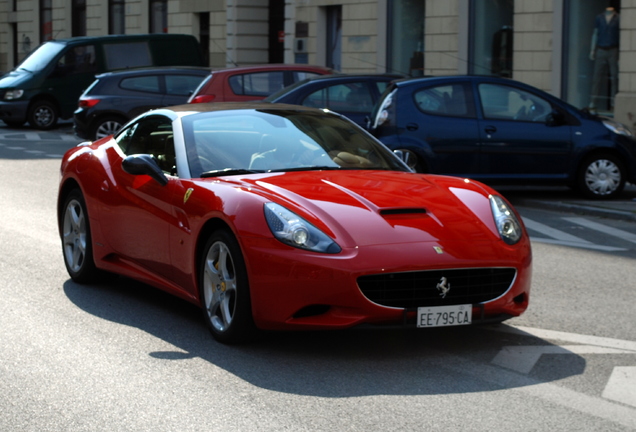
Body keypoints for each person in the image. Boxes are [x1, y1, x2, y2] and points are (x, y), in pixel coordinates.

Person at [589, 7, 619, 112]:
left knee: (614, 77)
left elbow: (620, 35)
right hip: (601, 49)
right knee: (597, 76)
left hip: (613, 49)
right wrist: (592, 50)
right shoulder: (599, 18)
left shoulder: (617, 18)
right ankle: (593, 101)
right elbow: (595, 34)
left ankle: (613, 103)